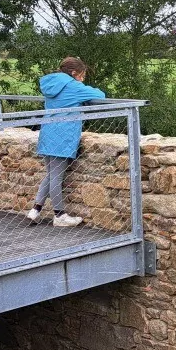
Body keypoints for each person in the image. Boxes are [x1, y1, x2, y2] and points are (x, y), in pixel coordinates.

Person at [27, 57, 106, 227]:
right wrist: (83, 87)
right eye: (82, 75)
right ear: (74, 73)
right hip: (63, 135)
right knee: (56, 176)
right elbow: (100, 95)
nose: (82, 79)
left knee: (50, 174)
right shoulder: (73, 86)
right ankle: (59, 215)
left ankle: (35, 210)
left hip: (48, 132)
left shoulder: (51, 84)